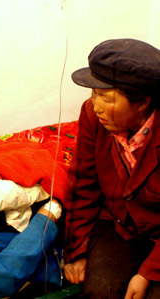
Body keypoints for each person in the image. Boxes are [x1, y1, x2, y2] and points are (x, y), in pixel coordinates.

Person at [63, 38, 160, 299]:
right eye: (93, 93)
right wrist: (79, 251)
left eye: (106, 98)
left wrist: (149, 272)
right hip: (119, 225)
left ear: (142, 102)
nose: (96, 106)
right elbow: (83, 183)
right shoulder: (92, 116)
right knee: (101, 291)